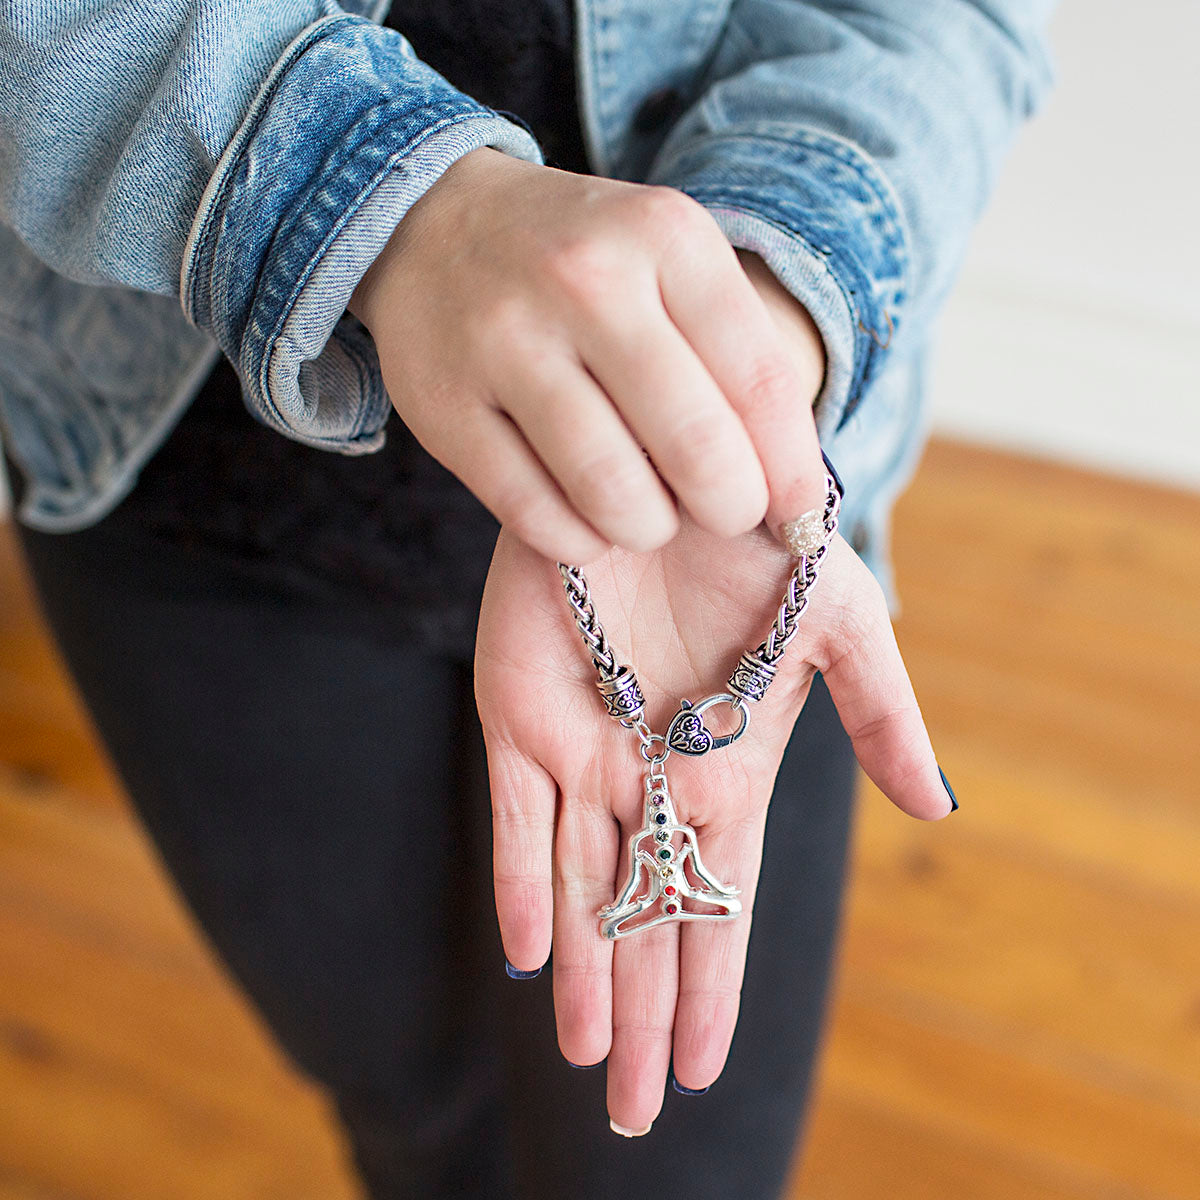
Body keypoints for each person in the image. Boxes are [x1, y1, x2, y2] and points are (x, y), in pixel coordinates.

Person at [0, 2, 1054, 1196]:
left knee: (674, 1165)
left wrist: (754, 326)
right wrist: (392, 207)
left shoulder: (729, 588)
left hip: (726, 537)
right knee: (417, 1111)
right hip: (192, 462)